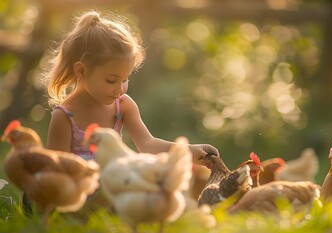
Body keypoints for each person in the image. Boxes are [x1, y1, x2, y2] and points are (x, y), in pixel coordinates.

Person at [44, 10, 219, 160]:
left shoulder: (122, 106)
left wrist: (189, 151)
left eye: (125, 79)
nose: (120, 89)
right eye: (111, 80)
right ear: (82, 71)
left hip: (119, 192)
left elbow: (148, 144)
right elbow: (56, 169)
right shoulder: (65, 116)